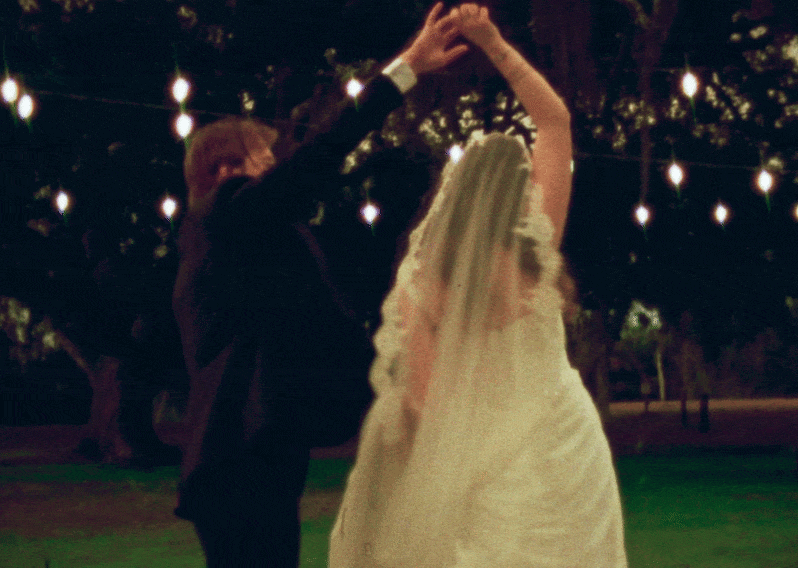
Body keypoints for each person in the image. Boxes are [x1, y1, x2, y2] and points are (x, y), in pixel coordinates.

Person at [167, 4, 469, 566]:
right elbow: (316, 158)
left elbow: (320, 311)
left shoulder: (235, 245)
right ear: (227, 170)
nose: (275, 165)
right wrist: (403, 70)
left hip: (254, 459)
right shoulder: (223, 214)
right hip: (237, 465)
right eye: (265, 158)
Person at [329, 4, 628, 567]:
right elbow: (556, 122)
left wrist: (432, 471)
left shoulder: (427, 285)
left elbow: (422, 398)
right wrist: (493, 43)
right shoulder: (538, 245)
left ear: (452, 202)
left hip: (486, 455)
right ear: (520, 200)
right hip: (563, 438)